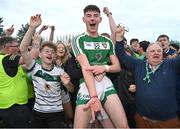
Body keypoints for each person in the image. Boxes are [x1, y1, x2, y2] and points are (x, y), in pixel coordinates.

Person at [71, 5, 128, 128]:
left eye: (96, 16)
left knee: (123, 127)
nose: (92, 19)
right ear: (83, 19)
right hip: (87, 86)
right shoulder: (78, 40)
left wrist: (104, 68)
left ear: (100, 19)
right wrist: (94, 96)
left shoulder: (106, 41)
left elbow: (117, 67)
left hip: (105, 84)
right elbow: (86, 68)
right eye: (89, 16)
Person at [115, 25, 180, 128]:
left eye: (159, 51)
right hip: (143, 121)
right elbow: (121, 55)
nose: (156, 53)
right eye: (152, 51)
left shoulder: (171, 65)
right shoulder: (138, 65)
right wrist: (118, 38)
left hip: (168, 121)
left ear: (163, 55)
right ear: (147, 54)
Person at [19, 14, 73, 128]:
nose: (50, 53)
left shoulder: (59, 71)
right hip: (38, 113)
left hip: (56, 114)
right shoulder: (34, 67)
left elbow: (72, 89)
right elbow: (23, 49)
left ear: (54, 56)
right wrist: (32, 27)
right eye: (46, 51)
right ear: (39, 54)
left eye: (52, 52)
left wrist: (67, 84)